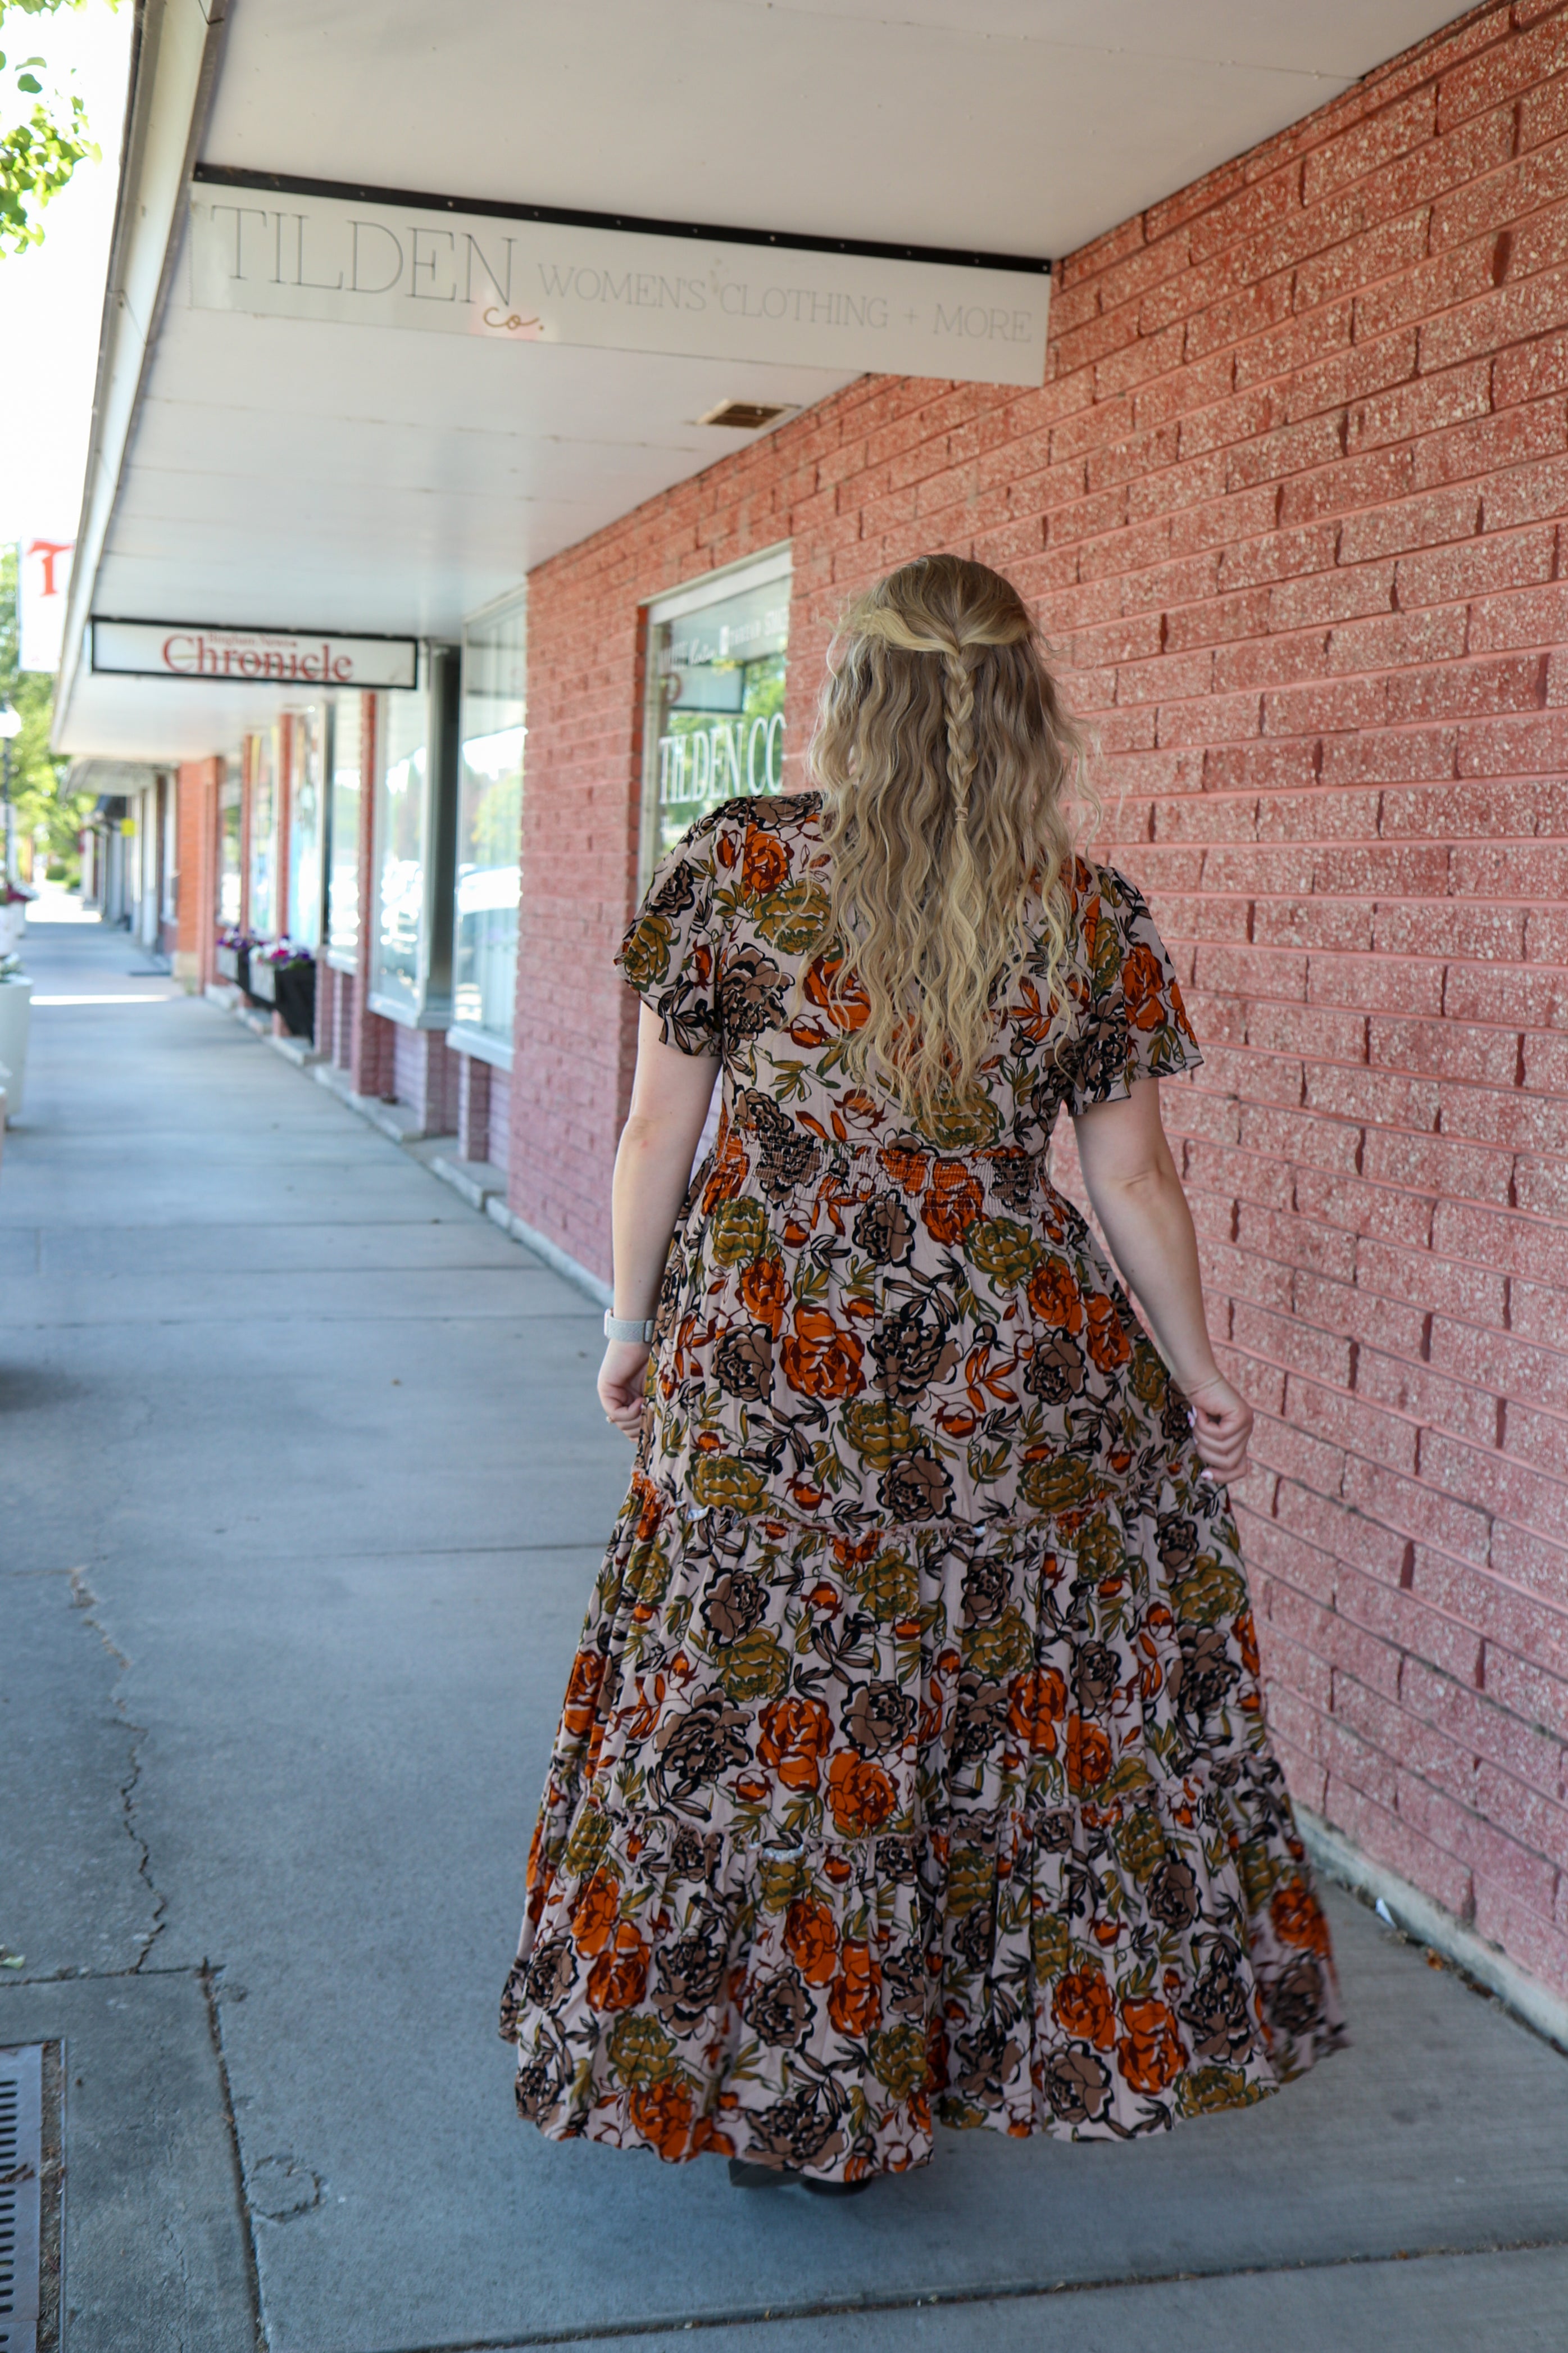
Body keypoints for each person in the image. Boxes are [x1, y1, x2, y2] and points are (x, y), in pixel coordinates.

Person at [501, 554, 1346, 2190]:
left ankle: (789, 2091)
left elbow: (654, 1133)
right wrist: (1200, 1364)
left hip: (772, 1369)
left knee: (771, 1719)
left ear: (850, 697)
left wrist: (624, 1324)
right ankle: (915, 2065)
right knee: (953, 1721)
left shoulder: (742, 866)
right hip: (1007, 1388)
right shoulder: (1087, 913)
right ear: (1027, 707)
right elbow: (1134, 1184)